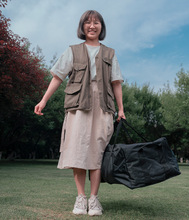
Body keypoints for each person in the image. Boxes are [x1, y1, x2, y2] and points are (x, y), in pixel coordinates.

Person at [34, 10, 125, 216]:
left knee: (97, 151)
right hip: (77, 105)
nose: (92, 26)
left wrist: (121, 109)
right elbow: (58, 77)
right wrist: (43, 100)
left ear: (102, 27)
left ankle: (94, 199)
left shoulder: (110, 53)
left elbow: (116, 83)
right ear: (82, 26)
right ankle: (80, 197)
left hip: (102, 106)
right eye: (88, 22)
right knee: (78, 151)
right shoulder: (72, 51)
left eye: (96, 23)